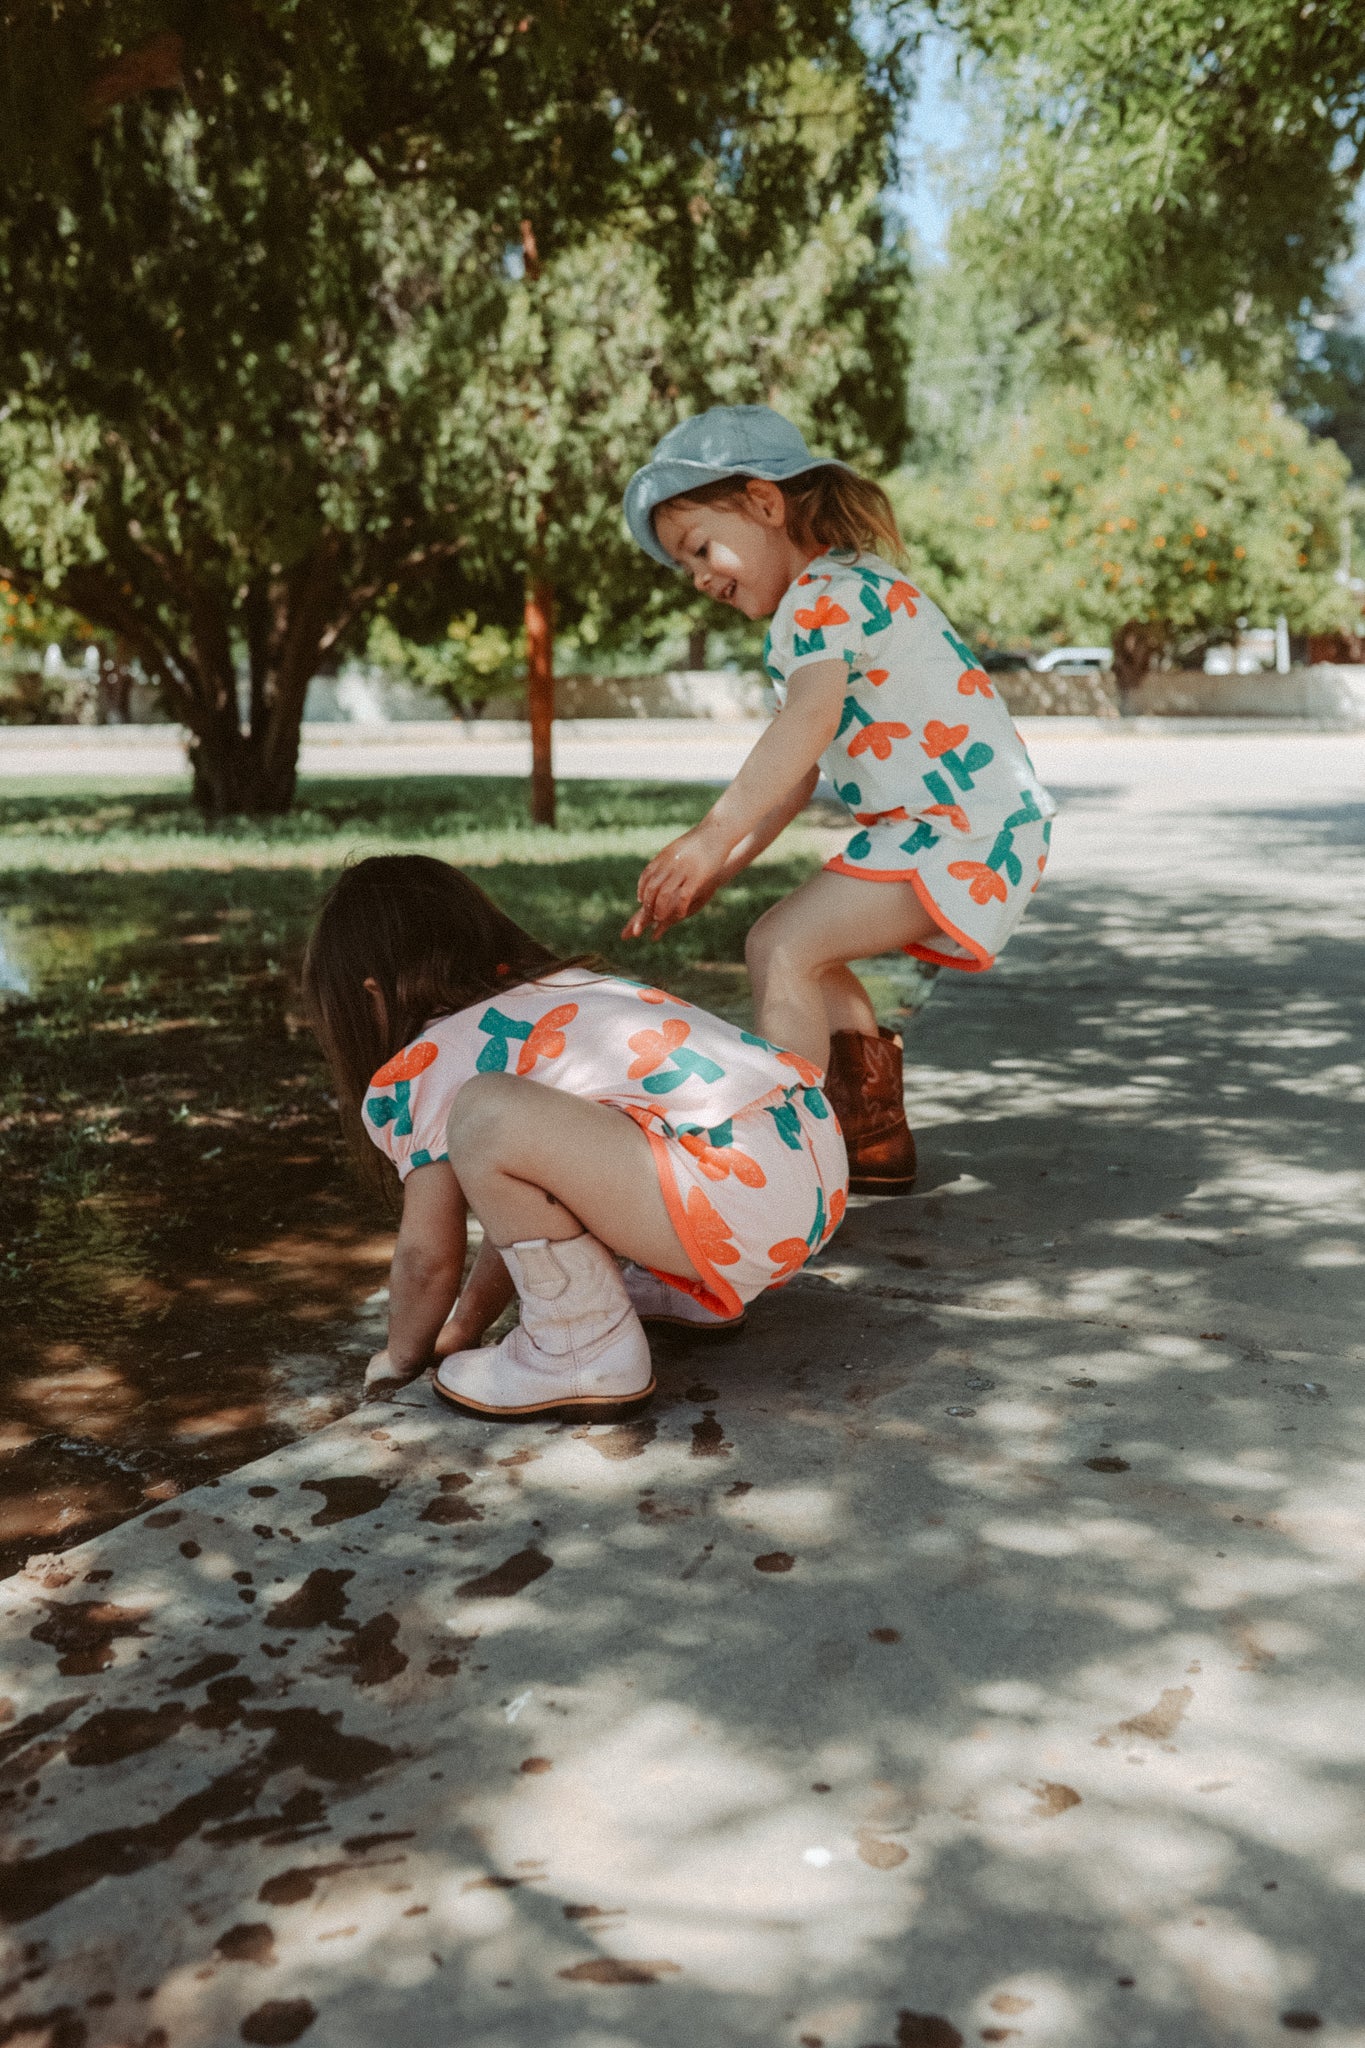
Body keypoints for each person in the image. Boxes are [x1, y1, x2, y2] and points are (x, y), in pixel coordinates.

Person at [622, 404, 1057, 1193]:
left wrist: (711, 834)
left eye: (699, 547)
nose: (699, 577)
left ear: (764, 502)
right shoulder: (836, 591)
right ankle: (870, 1138)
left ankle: (782, 1173)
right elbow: (798, 773)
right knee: (803, 951)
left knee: (780, 947)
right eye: (685, 566)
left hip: (958, 828)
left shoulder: (825, 596)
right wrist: (723, 861)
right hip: (960, 824)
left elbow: (809, 720)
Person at [301, 855, 848, 1420]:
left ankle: (579, 1353)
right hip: (812, 1167)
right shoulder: (564, 993)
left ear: (370, 996)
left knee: (484, 1112)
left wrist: (400, 1358)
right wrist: (463, 1328)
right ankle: (682, 1290)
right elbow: (519, 1217)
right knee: (511, 1127)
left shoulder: (429, 1061)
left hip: (732, 1199)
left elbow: (427, 1259)